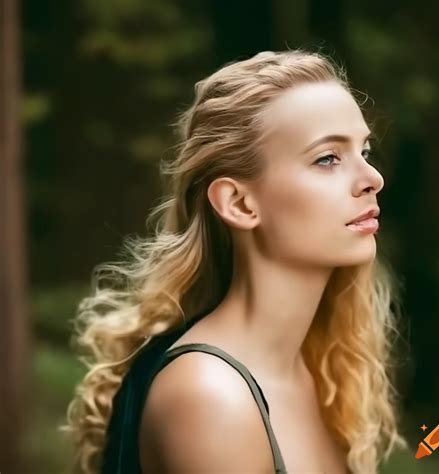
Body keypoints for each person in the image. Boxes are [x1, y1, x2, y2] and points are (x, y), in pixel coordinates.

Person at [62, 49, 408, 474]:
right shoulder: (211, 396)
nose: (374, 179)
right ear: (240, 203)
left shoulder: (320, 369)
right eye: (328, 158)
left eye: (365, 151)